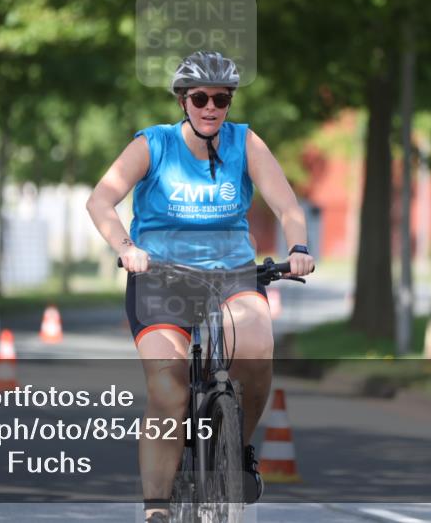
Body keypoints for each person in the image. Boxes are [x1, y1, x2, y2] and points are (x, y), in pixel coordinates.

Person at [86, 51, 315, 522]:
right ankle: (156, 509)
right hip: (159, 279)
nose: (211, 107)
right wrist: (127, 246)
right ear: (182, 100)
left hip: (232, 275)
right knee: (169, 391)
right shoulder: (153, 145)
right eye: (200, 97)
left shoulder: (245, 143)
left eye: (222, 99)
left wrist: (297, 247)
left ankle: (238, 448)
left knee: (255, 346)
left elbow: (288, 206)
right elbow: (100, 201)